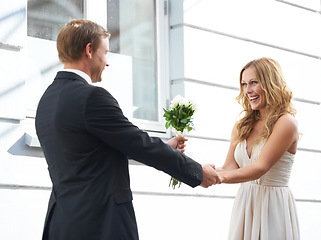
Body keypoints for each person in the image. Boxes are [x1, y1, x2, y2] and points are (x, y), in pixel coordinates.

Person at [35, 19, 220, 240]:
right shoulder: (92, 97)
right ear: (89, 50)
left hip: (62, 223)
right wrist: (198, 172)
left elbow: (98, 151)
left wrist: (163, 146)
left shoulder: (46, 100)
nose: (108, 62)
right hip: (100, 223)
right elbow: (138, 144)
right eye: (106, 53)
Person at [216, 57, 300, 240]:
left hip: (273, 207)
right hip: (245, 204)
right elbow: (230, 167)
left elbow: (259, 169)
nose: (248, 90)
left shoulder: (286, 123)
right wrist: (192, 168)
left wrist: (217, 177)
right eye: (244, 84)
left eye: (254, 82)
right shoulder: (242, 125)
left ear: (271, 83)